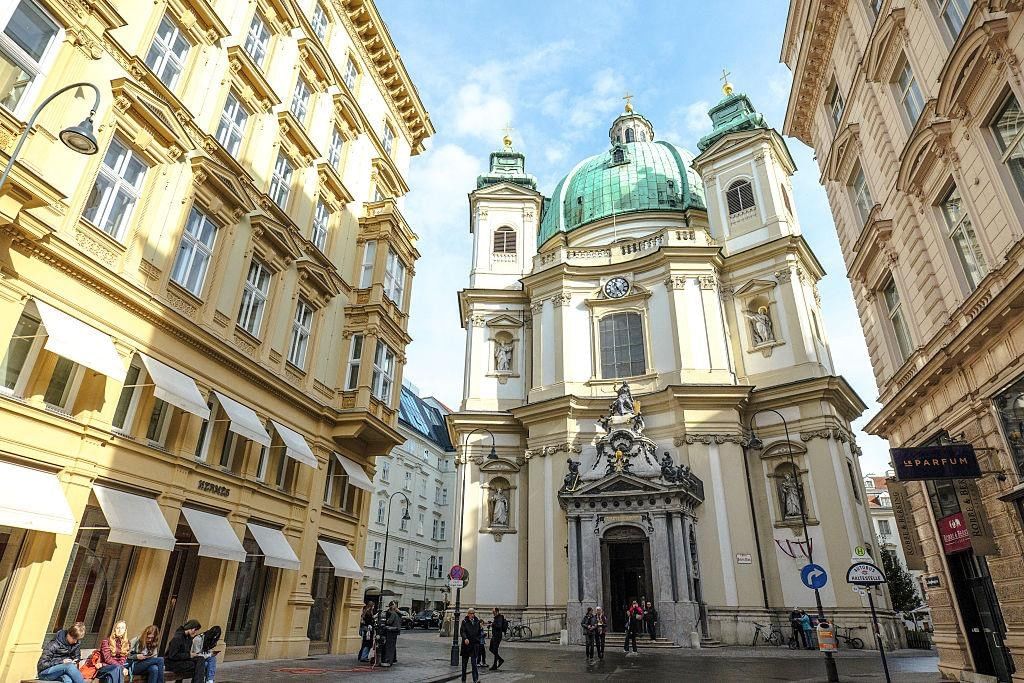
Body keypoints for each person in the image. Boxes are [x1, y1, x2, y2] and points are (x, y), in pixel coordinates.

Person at [459, 608, 483, 683]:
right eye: (471, 613)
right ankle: (463, 679)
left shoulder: (477, 621)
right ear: (468, 614)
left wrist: (478, 640)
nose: (472, 615)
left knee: (474, 663)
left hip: (474, 645)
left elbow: (479, 632)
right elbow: (462, 631)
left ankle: (475, 679)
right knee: (464, 664)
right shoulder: (464, 622)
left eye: (473, 613)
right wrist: (465, 638)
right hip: (466, 645)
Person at [380, 601, 401, 667]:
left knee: (389, 646)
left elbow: (389, 622)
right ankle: (392, 659)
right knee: (392, 646)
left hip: (391, 631)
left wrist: (387, 621)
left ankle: (388, 661)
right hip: (395, 631)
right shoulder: (397, 613)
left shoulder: (393, 613)